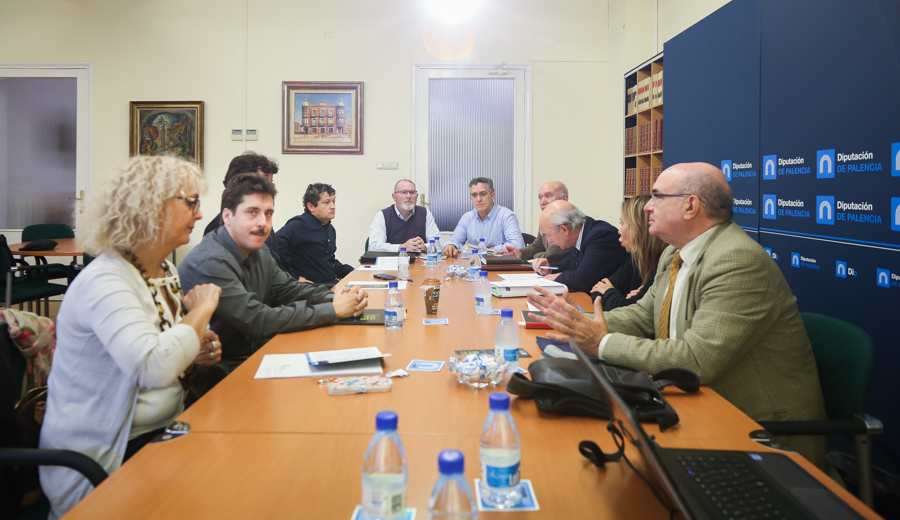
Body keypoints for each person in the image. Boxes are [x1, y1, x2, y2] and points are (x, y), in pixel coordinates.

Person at [527, 162, 828, 469]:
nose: (646, 208)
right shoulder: (675, 252)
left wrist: (601, 343)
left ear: (690, 206)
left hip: (756, 431)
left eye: (657, 197)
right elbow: (645, 314)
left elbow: (696, 360)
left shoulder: (736, 259)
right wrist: (576, 322)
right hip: (695, 404)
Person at [39, 156, 224, 519]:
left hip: (160, 432)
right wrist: (200, 311)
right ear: (151, 208)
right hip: (102, 461)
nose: (200, 215)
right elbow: (153, 368)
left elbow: (161, 350)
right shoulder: (106, 281)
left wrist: (194, 351)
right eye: (191, 202)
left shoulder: (162, 269)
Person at [179, 175, 367, 360]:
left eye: (268, 213)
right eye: (252, 212)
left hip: (257, 352)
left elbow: (290, 290)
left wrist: (338, 298)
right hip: (224, 368)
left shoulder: (260, 252)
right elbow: (259, 320)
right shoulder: (212, 261)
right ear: (227, 216)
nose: (263, 223)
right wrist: (333, 309)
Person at [202, 152, 293, 275]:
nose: (270, 188)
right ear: (239, 182)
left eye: (271, 182)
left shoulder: (262, 221)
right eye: (264, 180)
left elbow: (275, 272)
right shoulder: (217, 228)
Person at [531, 201, 630, 294]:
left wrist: (560, 276)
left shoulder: (601, 236)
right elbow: (570, 263)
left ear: (564, 229)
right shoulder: (581, 234)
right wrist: (549, 268)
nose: (549, 240)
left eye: (549, 235)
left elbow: (583, 279)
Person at [590, 194, 667, 311]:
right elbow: (596, 291)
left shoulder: (664, 264)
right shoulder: (636, 260)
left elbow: (631, 311)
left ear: (638, 228)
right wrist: (620, 298)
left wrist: (611, 293)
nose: (619, 231)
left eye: (622, 223)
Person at [276, 183, 354, 286]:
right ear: (311, 206)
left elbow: (328, 261)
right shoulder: (300, 224)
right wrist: (292, 276)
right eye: (327, 203)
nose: (333, 207)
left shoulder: (329, 228)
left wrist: (355, 272)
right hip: (313, 287)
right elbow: (276, 241)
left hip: (330, 283)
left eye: (333, 202)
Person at [442, 177, 525, 258]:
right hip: (475, 266)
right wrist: (450, 245)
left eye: (483, 194)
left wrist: (492, 250)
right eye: (474, 195)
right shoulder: (467, 218)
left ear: (492, 196)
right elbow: (454, 239)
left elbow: (517, 245)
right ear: (471, 198)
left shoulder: (506, 216)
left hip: (501, 266)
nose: (478, 199)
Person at [502, 181, 572, 263]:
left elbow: (551, 256)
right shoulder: (546, 220)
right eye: (540, 197)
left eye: (548, 196)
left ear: (564, 199)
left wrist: (536, 255)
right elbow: (537, 246)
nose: (542, 202)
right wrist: (520, 253)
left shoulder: (568, 222)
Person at [368, 179, 440, 252]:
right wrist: (400, 248)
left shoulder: (425, 213)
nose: (408, 196)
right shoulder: (382, 216)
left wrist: (425, 246)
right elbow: (373, 246)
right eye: (403, 192)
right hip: (392, 262)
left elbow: (439, 243)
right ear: (394, 197)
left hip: (419, 261)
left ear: (417, 196)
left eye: (412, 192)